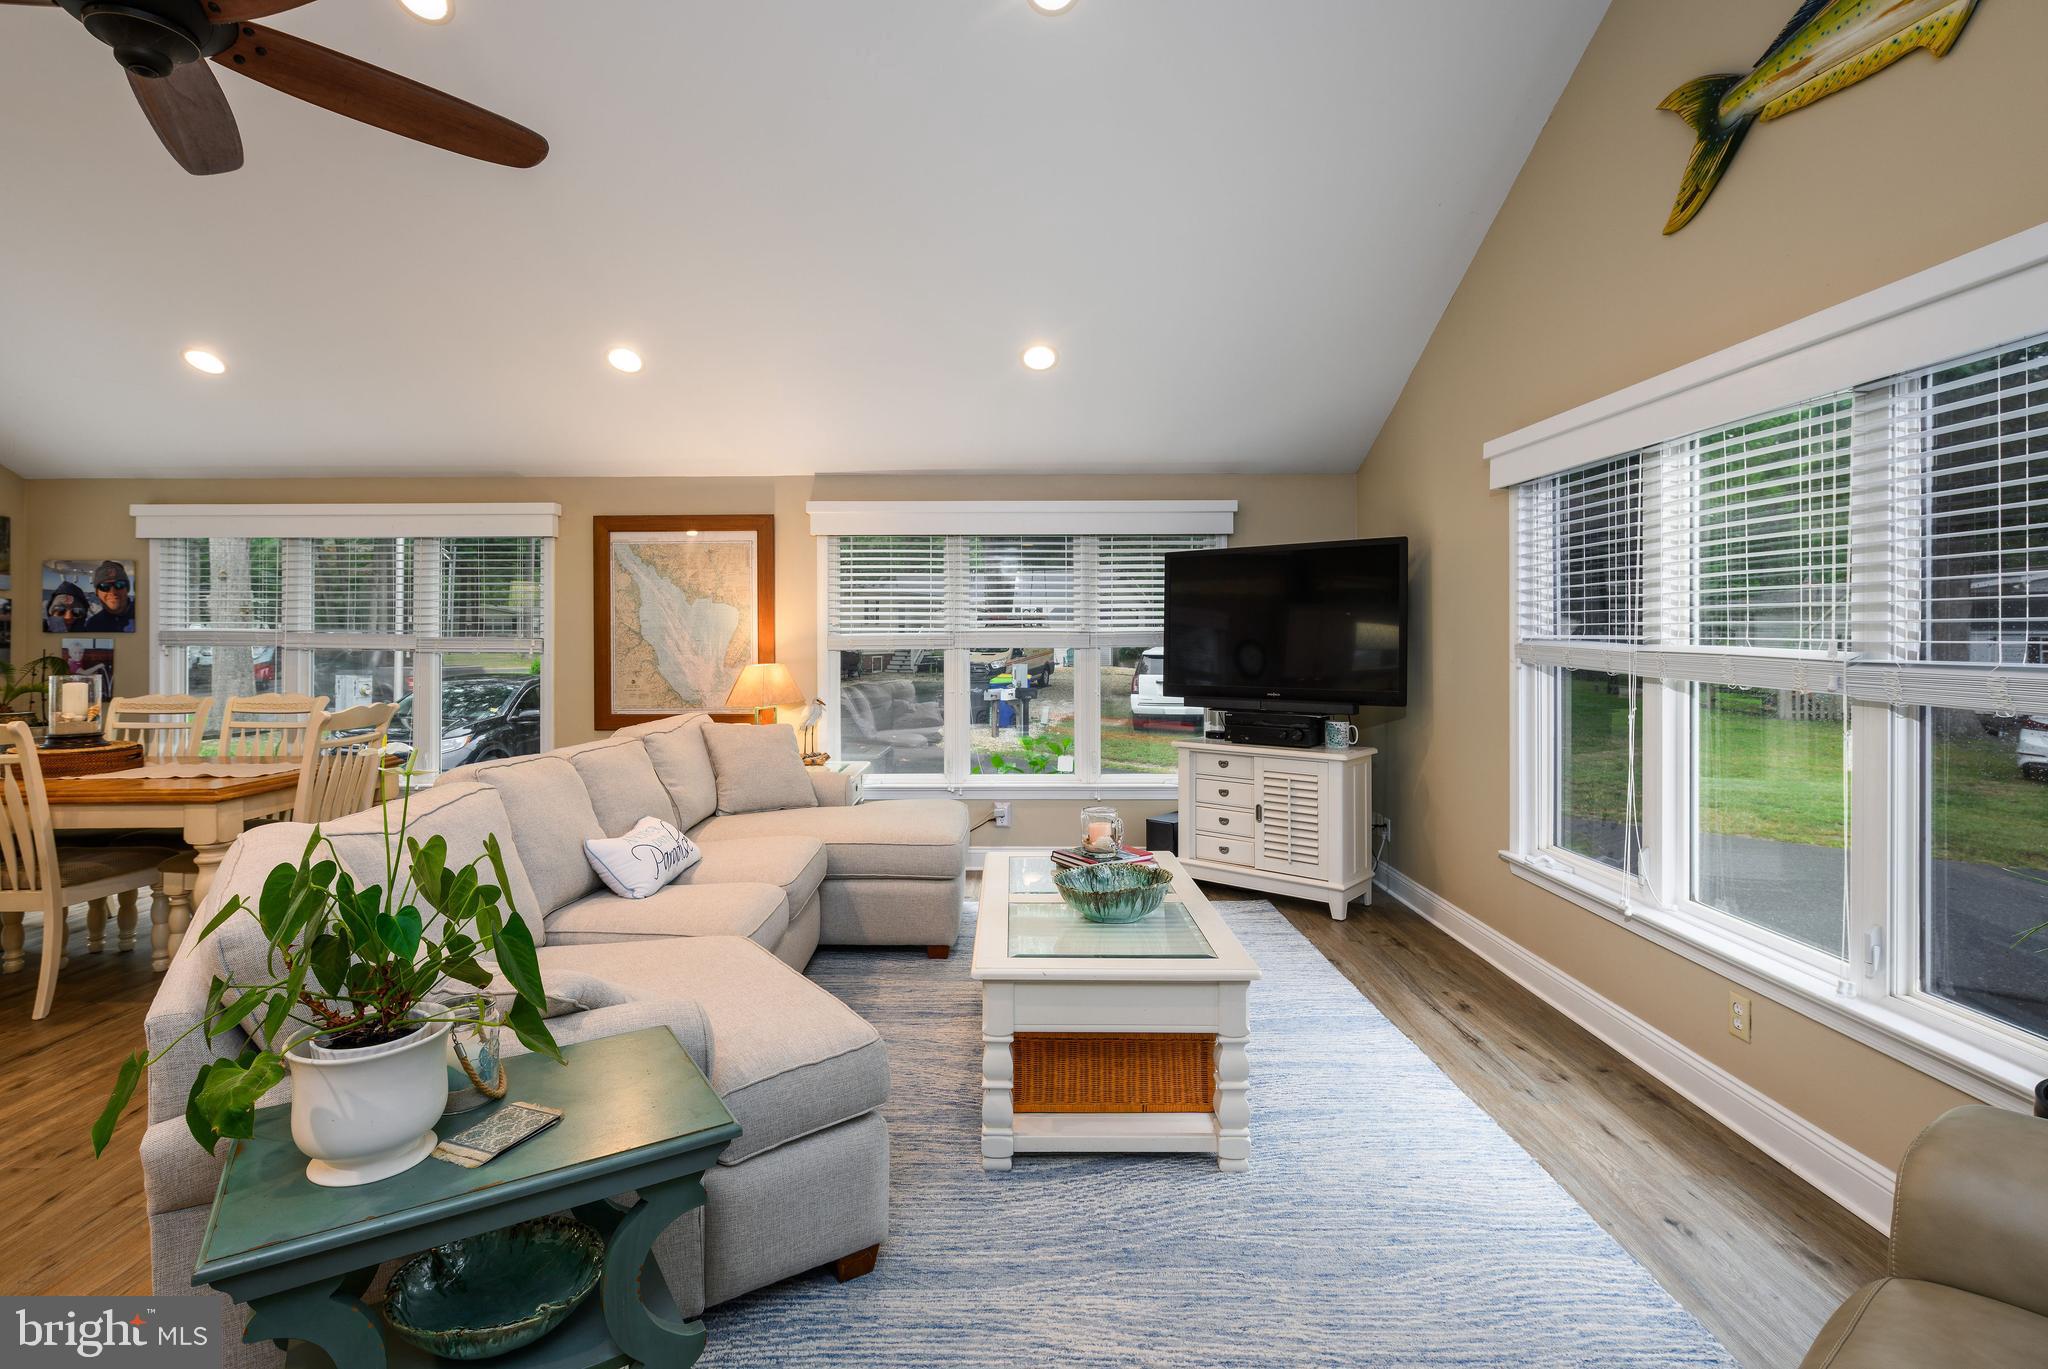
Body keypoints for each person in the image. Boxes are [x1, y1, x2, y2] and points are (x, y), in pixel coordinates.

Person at [83, 561, 134, 632]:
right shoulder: (91, 626)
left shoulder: (147, 615)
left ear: (127, 589)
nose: (113, 592)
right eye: (104, 586)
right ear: (97, 592)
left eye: (119, 584)